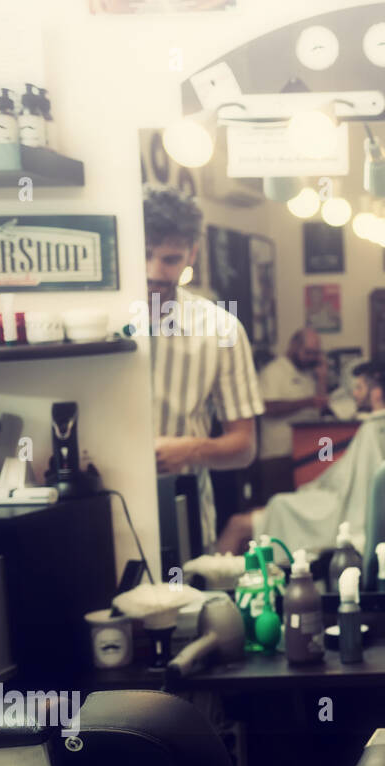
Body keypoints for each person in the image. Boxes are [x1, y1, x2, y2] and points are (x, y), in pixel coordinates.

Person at [144, 184, 264, 552]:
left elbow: (244, 447)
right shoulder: (95, 326)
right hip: (100, 514)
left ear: (191, 255)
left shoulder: (221, 330)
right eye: (145, 255)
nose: (154, 272)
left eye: (170, 259)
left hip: (186, 514)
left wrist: (189, 449)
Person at [217, 360, 385, 556]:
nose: (355, 394)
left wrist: (311, 490)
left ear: (376, 394)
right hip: (382, 510)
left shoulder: (372, 431)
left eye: (359, 388)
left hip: (343, 512)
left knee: (255, 515)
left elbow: (354, 494)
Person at [257, 327, 331, 499]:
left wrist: (322, 378)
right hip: (278, 456)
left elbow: (319, 408)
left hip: (306, 452)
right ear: (294, 347)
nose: (312, 358)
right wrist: (307, 402)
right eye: (308, 352)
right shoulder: (274, 371)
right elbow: (267, 408)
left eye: (316, 353)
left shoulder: (308, 373)